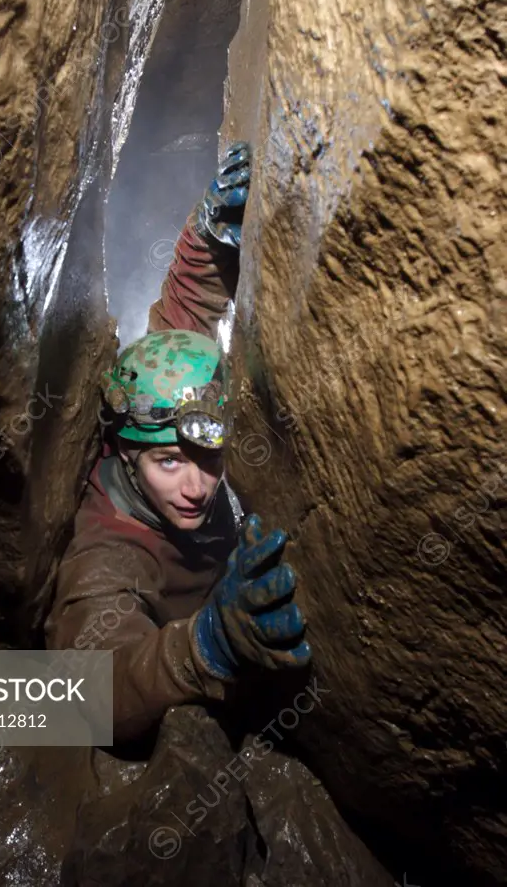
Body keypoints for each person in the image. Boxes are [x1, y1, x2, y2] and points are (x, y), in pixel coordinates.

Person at [44, 142, 311, 744]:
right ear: (128, 454)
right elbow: (86, 692)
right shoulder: (107, 547)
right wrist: (205, 648)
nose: (197, 487)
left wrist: (206, 238)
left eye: (210, 457)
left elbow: (180, 327)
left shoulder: (159, 401)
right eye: (169, 461)